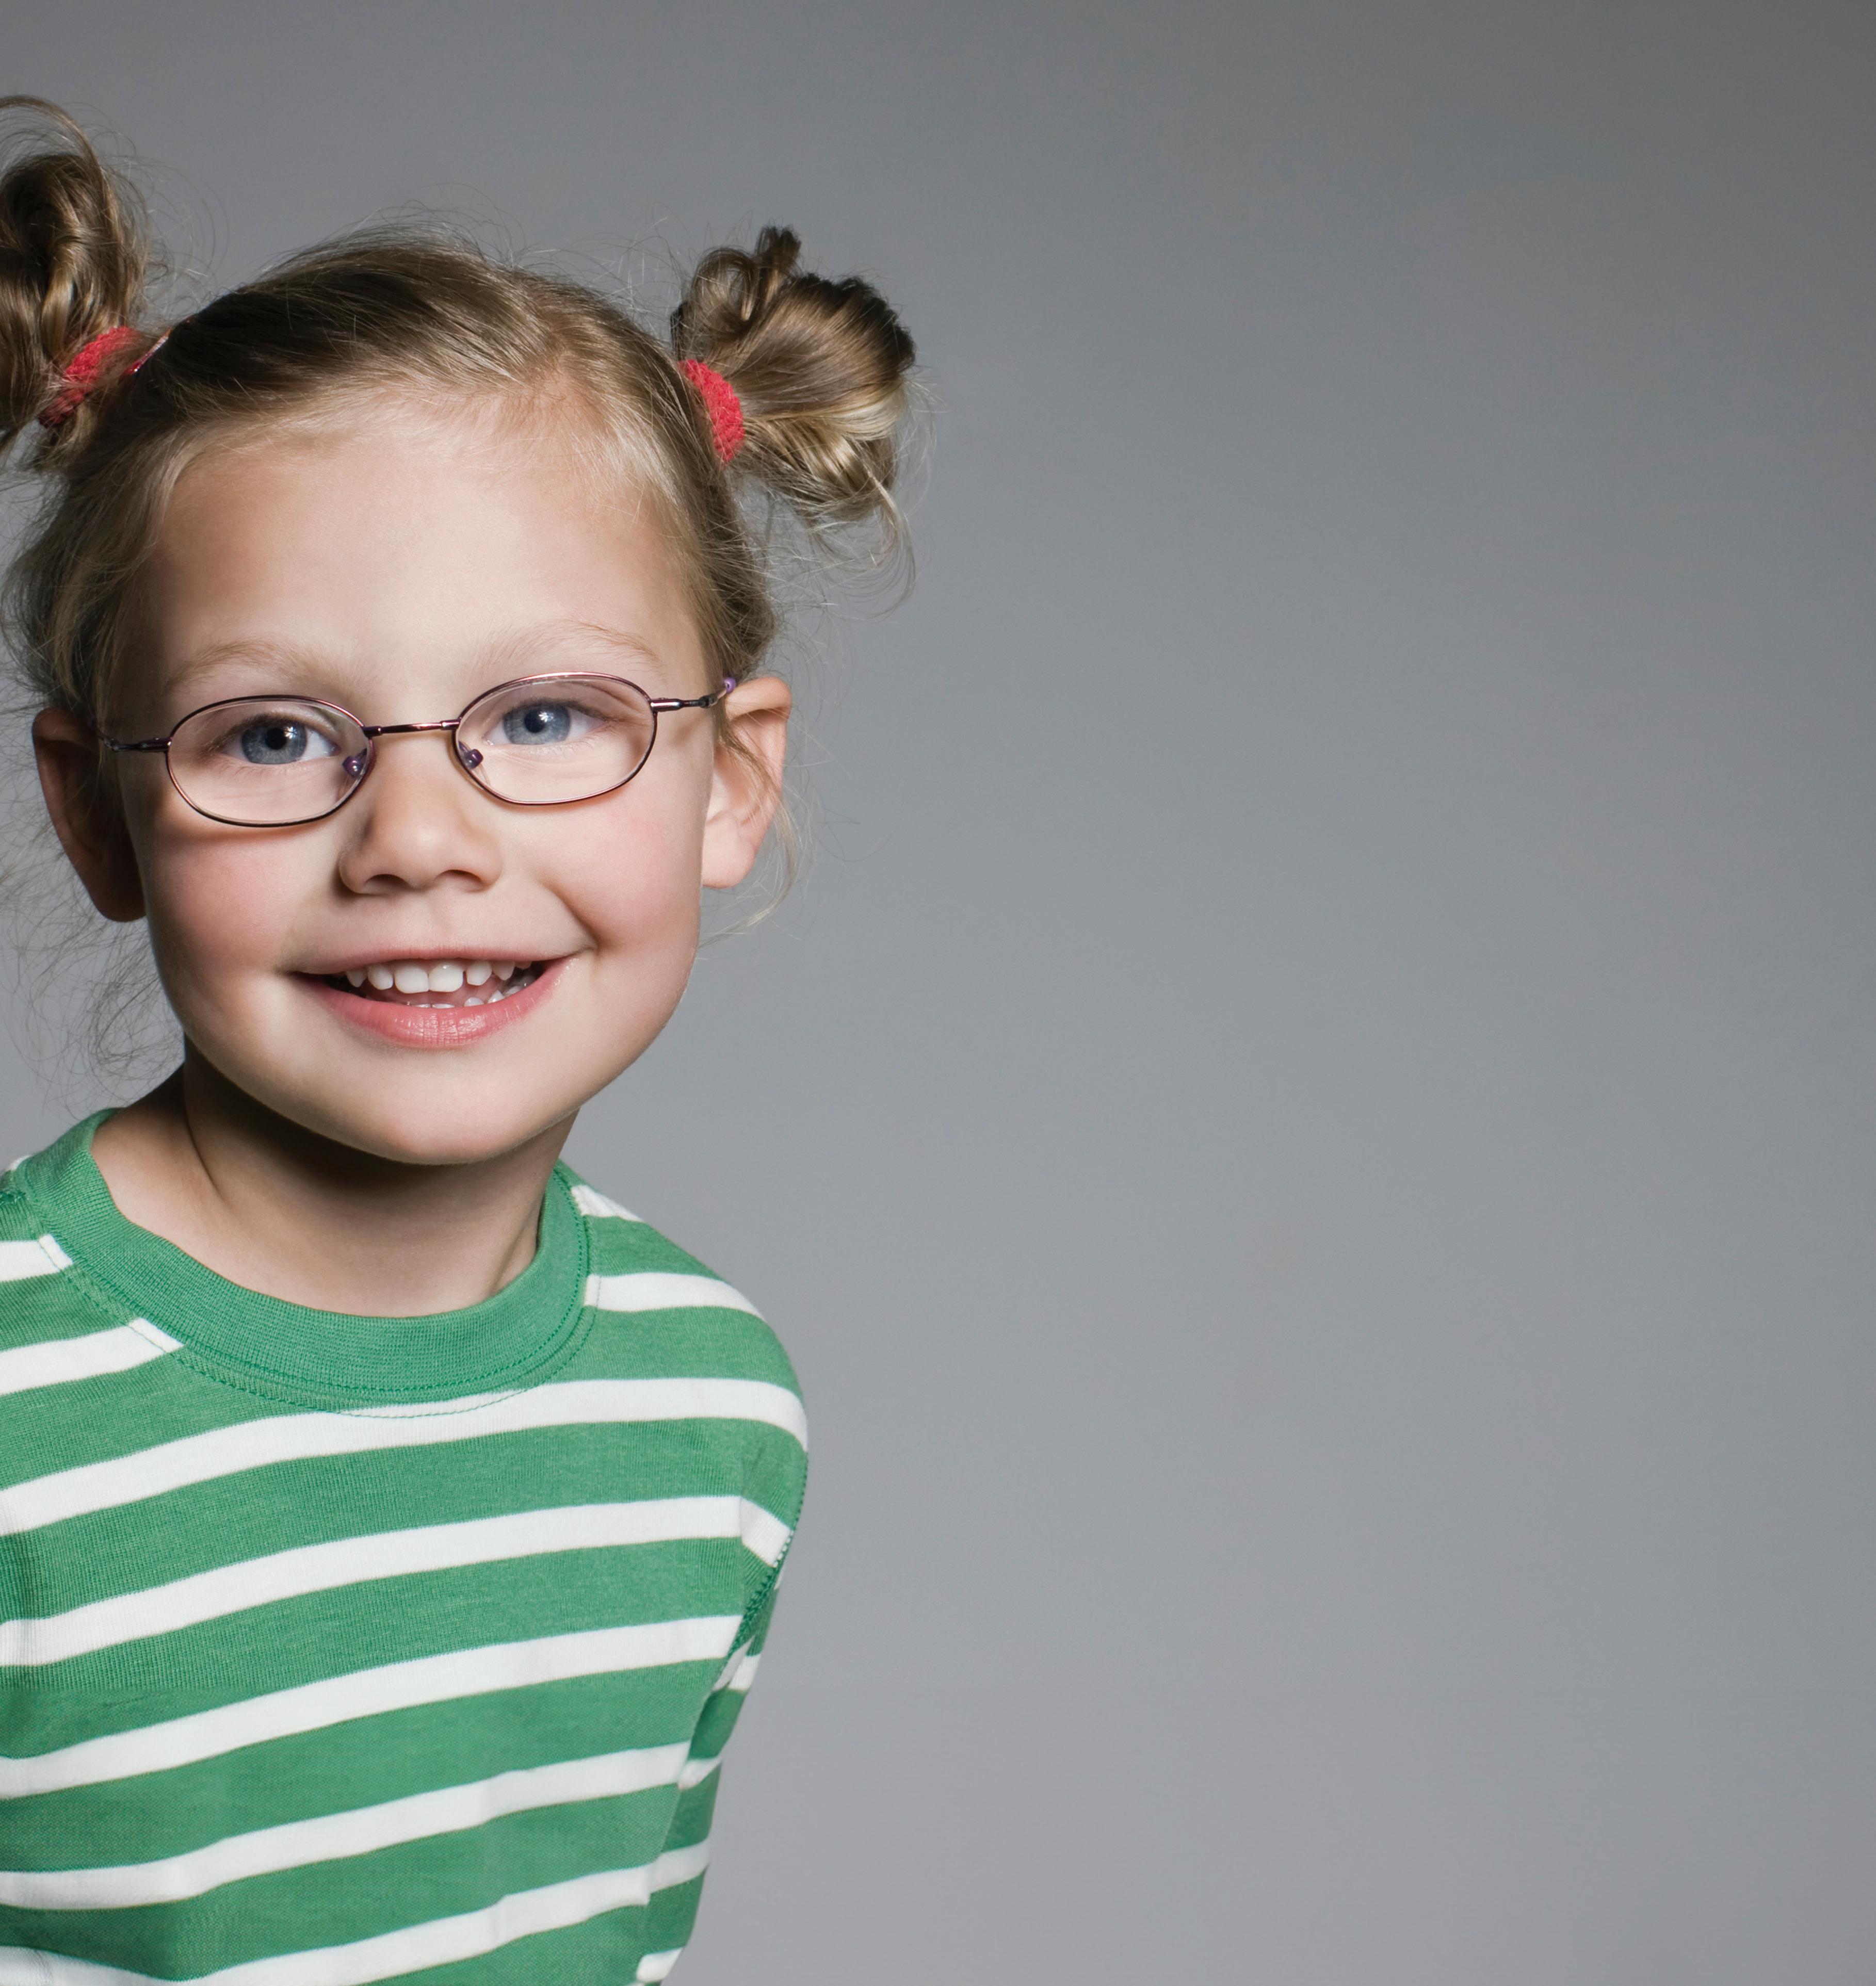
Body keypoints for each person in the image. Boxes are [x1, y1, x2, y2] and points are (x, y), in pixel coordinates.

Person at [0, 96, 915, 1981]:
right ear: (97, 810)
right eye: (274, 735)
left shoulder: (709, 1410)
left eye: (548, 717)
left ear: (729, 778)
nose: (417, 839)